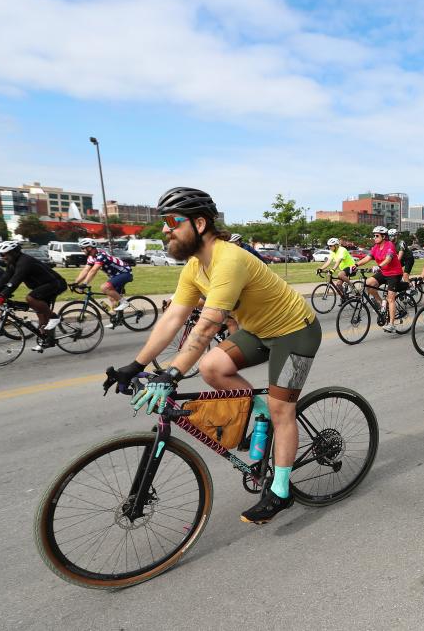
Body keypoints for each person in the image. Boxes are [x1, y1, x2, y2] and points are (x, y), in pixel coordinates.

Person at [119, 187, 321, 525]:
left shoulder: (229, 259)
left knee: (281, 408)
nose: (165, 230)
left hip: (295, 332)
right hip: (259, 330)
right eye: (162, 223)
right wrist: (136, 364)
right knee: (213, 367)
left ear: (200, 223)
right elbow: (172, 318)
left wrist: (172, 373)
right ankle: (261, 414)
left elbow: (209, 324)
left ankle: (281, 491)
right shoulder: (195, 267)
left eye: (172, 221)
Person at [0, 240, 68, 352]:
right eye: (0, 255)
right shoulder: (13, 263)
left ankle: (54, 317)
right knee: (41, 315)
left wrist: (2, 295)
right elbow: (4, 279)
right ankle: (47, 340)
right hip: (42, 286)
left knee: (30, 298)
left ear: (13, 252)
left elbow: (15, 280)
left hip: (54, 284)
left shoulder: (25, 262)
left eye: (3, 254)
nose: (2, 257)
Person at [70, 238, 133, 325]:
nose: (82, 250)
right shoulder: (91, 257)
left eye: (83, 248)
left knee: (104, 287)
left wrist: (84, 284)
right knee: (111, 297)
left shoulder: (101, 255)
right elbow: (86, 270)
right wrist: (76, 283)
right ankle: (117, 319)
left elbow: (94, 270)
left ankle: (124, 302)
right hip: (115, 275)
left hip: (125, 273)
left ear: (89, 248)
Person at [353, 226, 404, 333]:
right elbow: (367, 258)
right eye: (374, 236)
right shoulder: (375, 247)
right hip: (384, 272)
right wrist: (356, 265)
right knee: (368, 283)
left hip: (394, 273)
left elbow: (389, 258)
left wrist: (379, 266)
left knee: (391, 298)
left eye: (377, 236)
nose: (374, 238)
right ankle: (381, 304)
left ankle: (391, 324)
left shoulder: (389, 245)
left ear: (384, 237)